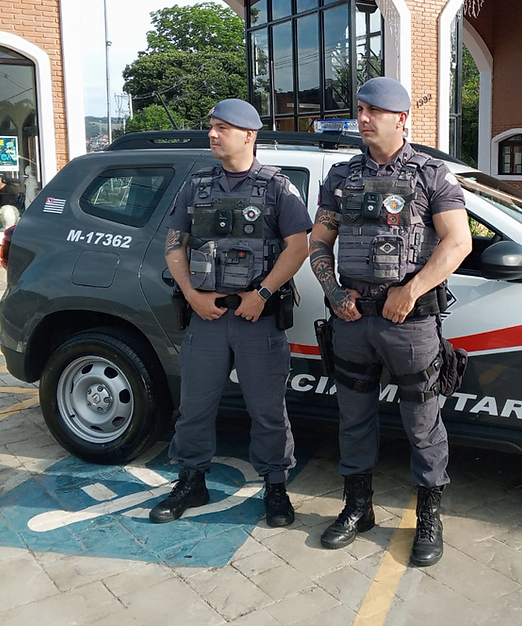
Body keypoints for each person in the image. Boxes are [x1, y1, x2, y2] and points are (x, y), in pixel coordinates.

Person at [310, 77, 472, 566]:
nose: (362, 119)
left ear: (402, 119)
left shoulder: (431, 175)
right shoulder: (341, 177)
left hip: (410, 323)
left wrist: (411, 290)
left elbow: (458, 242)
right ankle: (358, 508)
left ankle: (428, 517)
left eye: (373, 111)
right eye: (359, 110)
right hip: (353, 321)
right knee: (353, 419)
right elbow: (319, 242)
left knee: (423, 423)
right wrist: (334, 292)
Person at [150, 98, 312, 527]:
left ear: (248, 134)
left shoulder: (277, 187)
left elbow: (299, 246)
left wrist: (262, 292)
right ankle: (191, 480)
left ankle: (275, 487)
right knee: (195, 406)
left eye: (222, 127)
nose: (213, 134)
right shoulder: (196, 186)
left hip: (257, 318)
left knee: (267, 409)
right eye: (211, 126)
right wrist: (192, 295)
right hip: (206, 317)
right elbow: (173, 246)